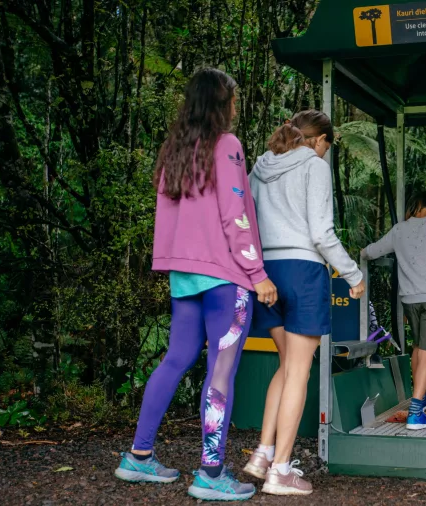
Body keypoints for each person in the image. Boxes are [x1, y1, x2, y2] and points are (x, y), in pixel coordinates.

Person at [114, 68, 277, 502]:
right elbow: (235, 214)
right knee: (221, 369)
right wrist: (257, 273)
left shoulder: (175, 149)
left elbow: (169, 216)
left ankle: (139, 456)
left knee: (175, 359)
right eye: (234, 99)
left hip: (184, 274)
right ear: (222, 103)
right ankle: (210, 472)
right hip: (226, 274)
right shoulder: (227, 145)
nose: (237, 107)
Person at [242, 110, 365, 496]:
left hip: (265, 273)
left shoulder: (259, 168)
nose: (328, 152)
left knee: (286, 365)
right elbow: (321, 232)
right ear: (320, 140)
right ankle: (280, 470)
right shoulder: (314, 166)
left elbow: (245, 221)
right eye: (329, 144)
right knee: (299, 372)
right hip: (302, 270)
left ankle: (263, 454)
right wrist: (353, 274)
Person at [361, 191, 426, 430]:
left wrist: (359, 255)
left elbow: (370, 252)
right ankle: (416, 412)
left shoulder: (399, 230)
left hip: (409, 297)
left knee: (419, 345)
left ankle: (421, 399)